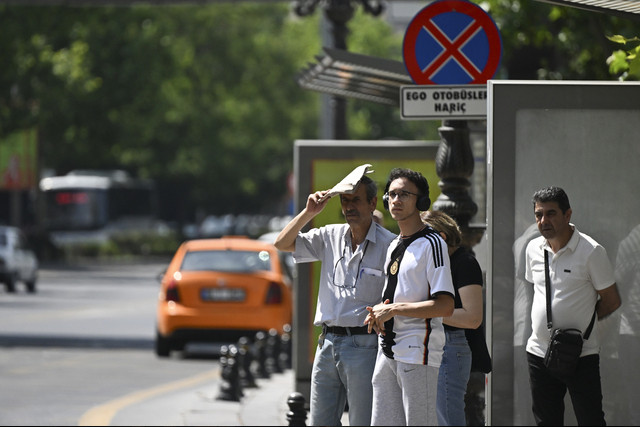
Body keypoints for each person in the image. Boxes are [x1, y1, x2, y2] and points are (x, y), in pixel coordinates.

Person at [274, 174, 395, 427]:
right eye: (345, 201)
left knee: (362, 421)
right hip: (327, 342)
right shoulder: (330, 235)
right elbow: (282, 243)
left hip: (365, 344)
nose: (349, 207)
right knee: (321, 422)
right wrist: (309, 212)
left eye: (356, 200)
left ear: (373, 203)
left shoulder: (389, 244)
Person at [364, 167, 455, 426]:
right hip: (387, 349)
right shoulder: (394, 243)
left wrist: (394, 310)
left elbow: (446, 305)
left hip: (418, 352)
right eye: (391, 195)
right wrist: (380, 312)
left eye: (404, 194)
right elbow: (397, 293)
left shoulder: (433, 243)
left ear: (421, 201)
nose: (396, 200)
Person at [524, 186, 621, 426]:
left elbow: (612, 300)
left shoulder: (591, 251)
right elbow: (534, 291)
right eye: (539, 215)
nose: (543, 220)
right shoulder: (532, 249)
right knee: (546, 421)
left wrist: (583, 323)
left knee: (590, 420)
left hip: (581, 352)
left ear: (568, 215)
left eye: (551, 213)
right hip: (539, 351)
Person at [421, 210, 485, 426]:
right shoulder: (436, 264)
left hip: (450, 347)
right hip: (428, 345)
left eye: (423, 240)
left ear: (441, 237)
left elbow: (472, 317)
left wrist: (422, 311)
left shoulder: (464, 262)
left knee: (447, 418)